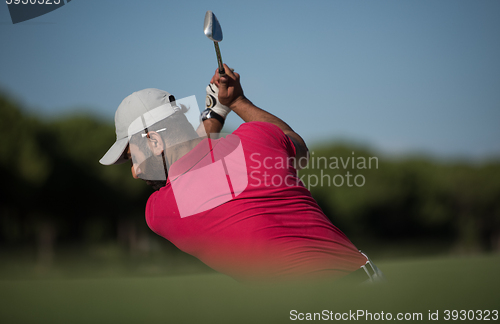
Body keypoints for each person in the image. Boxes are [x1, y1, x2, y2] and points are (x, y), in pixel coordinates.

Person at [99, 64, 384, 283]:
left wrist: (216, 111)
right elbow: (295, 143)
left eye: (132, 156)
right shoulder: (257, 137)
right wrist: (235, 102)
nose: (135, 172)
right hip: (368, 278)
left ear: (154, 142)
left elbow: (190, 163)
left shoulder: (159, 212)